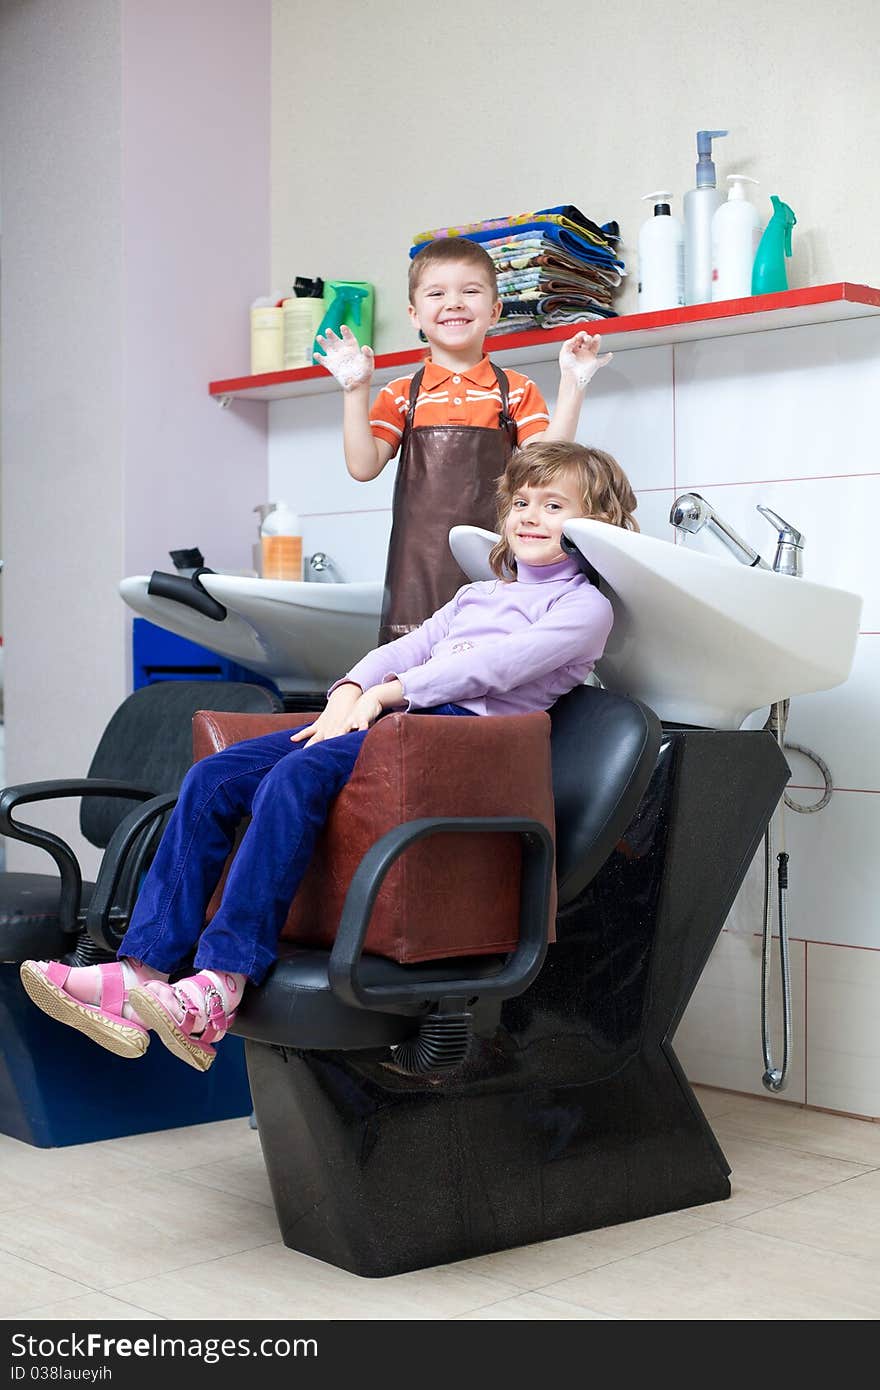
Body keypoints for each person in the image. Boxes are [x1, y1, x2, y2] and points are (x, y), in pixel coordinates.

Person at [20, 441, 638, 1074]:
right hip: (401, 716)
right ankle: (142, 972)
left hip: (454, 739)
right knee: (213, 778)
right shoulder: (477, 596)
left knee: (295, 776)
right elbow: (406, 649)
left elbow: (495, 669)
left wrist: (384, 697)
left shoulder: (583, 608)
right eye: (521, 502)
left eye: (553, 505)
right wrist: (348, 691)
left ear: (596, 522)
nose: (529, 516)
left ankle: (219, 985)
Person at [314, 236, 612, 643]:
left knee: (482, 663)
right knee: (408, 670)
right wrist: (354, 390)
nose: (453, 302)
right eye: (437, 293)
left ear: (494, 311)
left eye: (469, 291)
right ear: (414, 314)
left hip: (492, 564)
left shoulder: (515, 390)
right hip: (415, 572)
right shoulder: (402, 393)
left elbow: (545, 470)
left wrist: (572, 384)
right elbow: (363, 467)